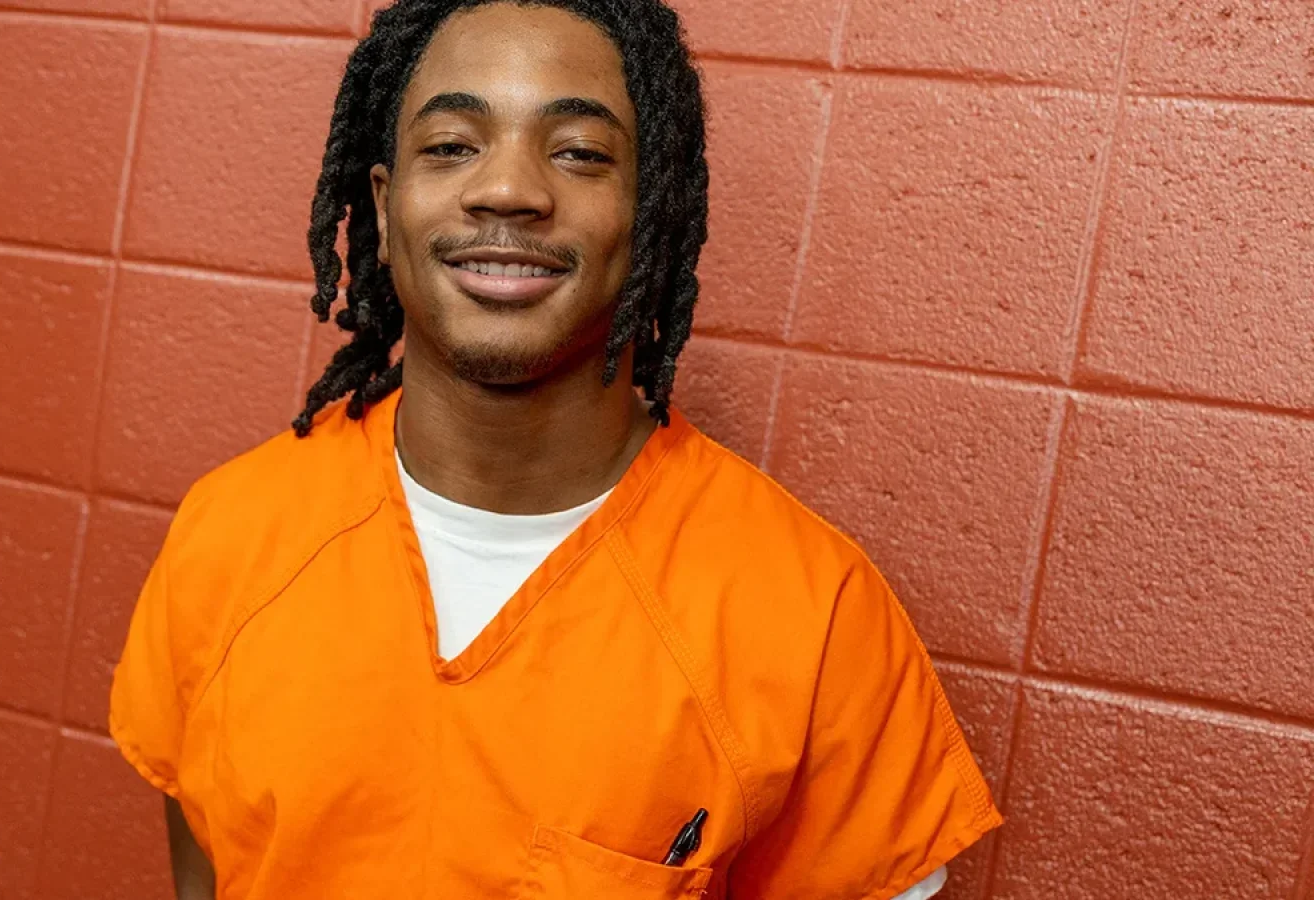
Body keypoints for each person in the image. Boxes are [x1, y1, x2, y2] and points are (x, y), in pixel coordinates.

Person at [110, 0, 1002, 897]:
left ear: (650, 213)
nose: (508, 189)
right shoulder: (228, 533)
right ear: (383, 210)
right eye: (452, 145)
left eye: (578, 152)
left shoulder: (815, 618)